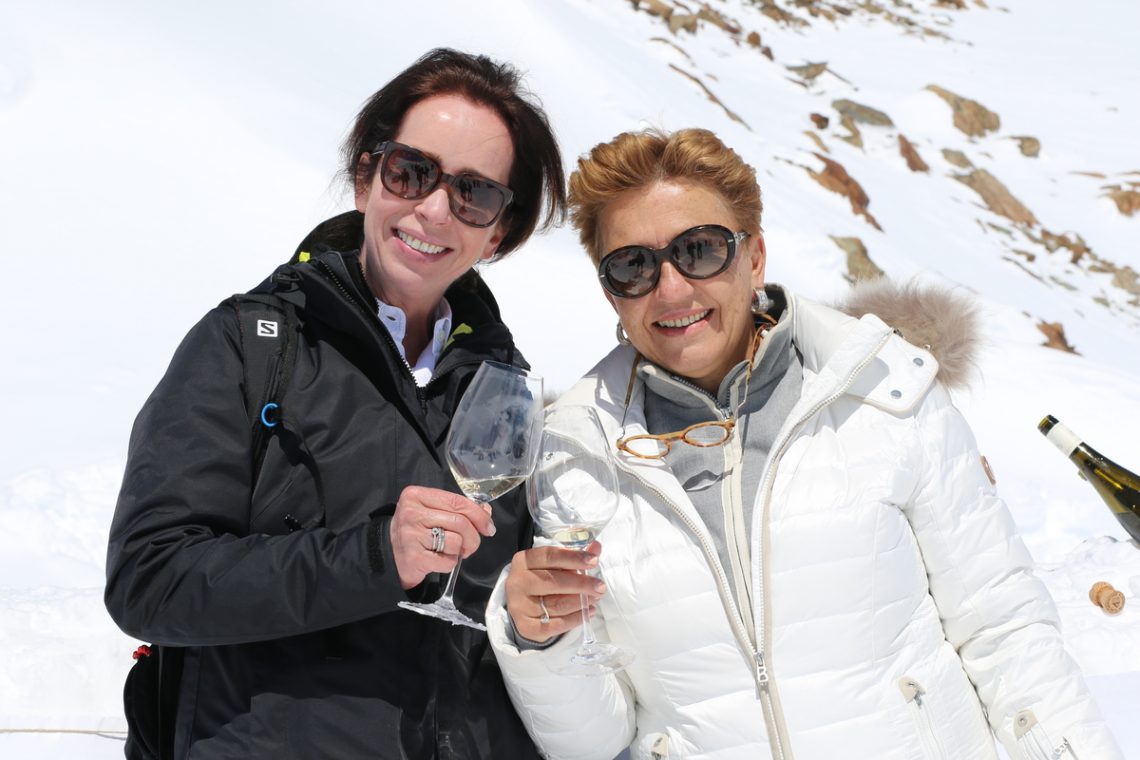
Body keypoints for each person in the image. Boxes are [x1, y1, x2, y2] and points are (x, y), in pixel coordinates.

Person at [485, 127, 1122, 760]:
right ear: (609, 291)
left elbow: (1004, 627)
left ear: (754, 256)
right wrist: (545, 645)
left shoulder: (884, 392)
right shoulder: (577, 455)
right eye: (633, 266)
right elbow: (595, 742)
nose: (671, 288)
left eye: (700, 250)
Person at [105, 48, 566, 760]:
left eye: (473, 193)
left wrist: (539, 620)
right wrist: (377, 554)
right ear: (365, 178)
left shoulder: (506, 392)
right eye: (411, 172)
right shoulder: (251, 345)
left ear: (498, 231)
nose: (435, 209)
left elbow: (501, 647)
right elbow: (149, 579)